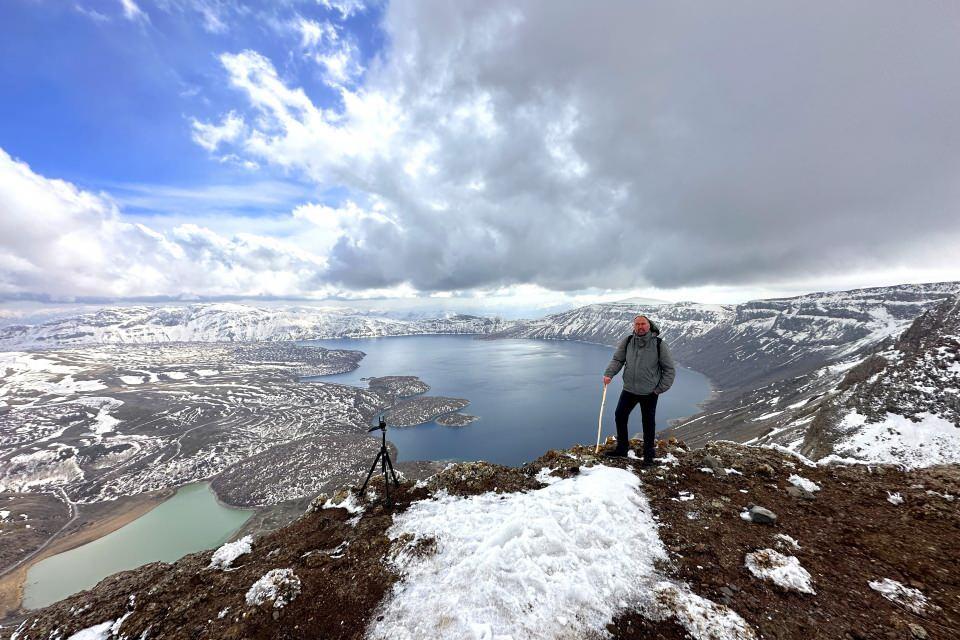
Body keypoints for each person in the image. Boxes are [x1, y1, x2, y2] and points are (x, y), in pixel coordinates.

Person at [602, 315, 676, 464]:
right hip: (629, 389)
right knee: (620, 416)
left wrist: (659, 389)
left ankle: (649, 455)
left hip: (649, 392)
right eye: (637, 324)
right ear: (633, 326)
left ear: (649, 326)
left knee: (648, 423)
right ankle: (622, 449)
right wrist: (609, 374)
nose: (640, 327)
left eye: (643, 324)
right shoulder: (628, 341)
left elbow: (669, 369)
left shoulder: (659, 344)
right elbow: (618, 359)